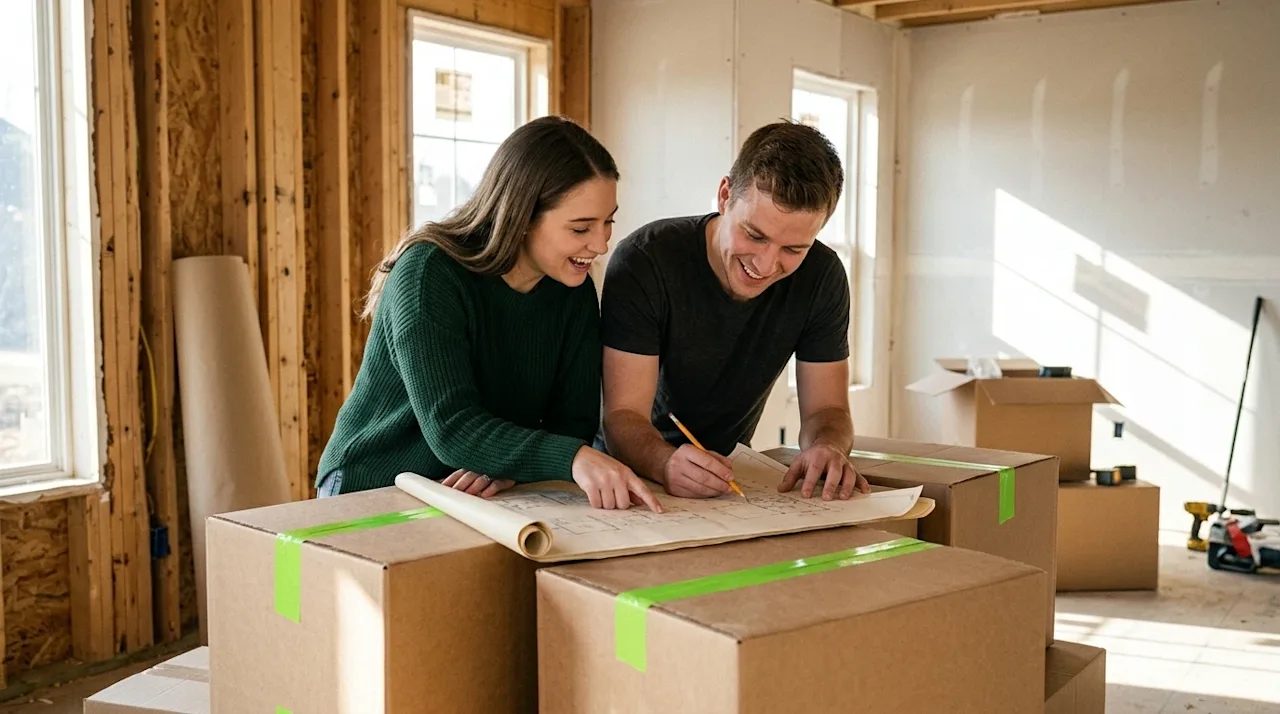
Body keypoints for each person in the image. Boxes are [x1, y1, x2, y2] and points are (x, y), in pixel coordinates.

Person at [316, 116, 662, 513]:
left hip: (475, 491)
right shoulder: (429, 273)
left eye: (608, 222)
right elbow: (451, 428)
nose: (601, 245)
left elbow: (573, 422)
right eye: (581, 228)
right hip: (372, 482)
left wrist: (510, 465)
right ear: (522, 216)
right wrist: (570, 458)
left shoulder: (573, 289)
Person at [598, 120, 870, 502]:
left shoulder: (822, 276)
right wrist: (664, 463)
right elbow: (622, 415)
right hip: (627, 479)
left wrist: (829, 447)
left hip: (727, 479)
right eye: (754, 235)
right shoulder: (646, 261)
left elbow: (827, 408)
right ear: (725, 195)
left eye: (794, 249)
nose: (765, 264)